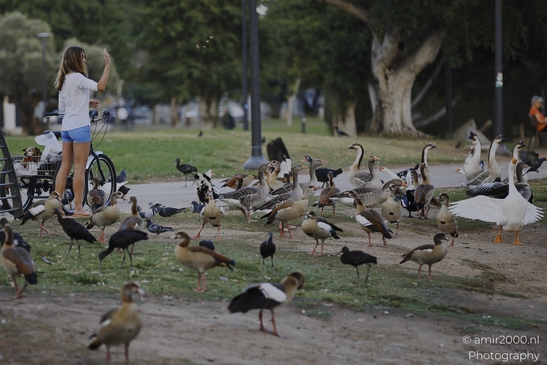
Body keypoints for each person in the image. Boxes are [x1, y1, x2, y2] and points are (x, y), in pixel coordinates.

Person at [53, 46, 111, 217]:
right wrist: (107, 66)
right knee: (80, 168)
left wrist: (85, 103)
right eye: (82, 57)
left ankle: (58, 207)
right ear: (76, 59)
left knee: (65, 167)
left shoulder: (63, 79)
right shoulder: (79, 77)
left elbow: (62, 108)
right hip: (80, 128)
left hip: (66, 128)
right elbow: (100, 87)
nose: (85, 60)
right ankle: (78, 208)